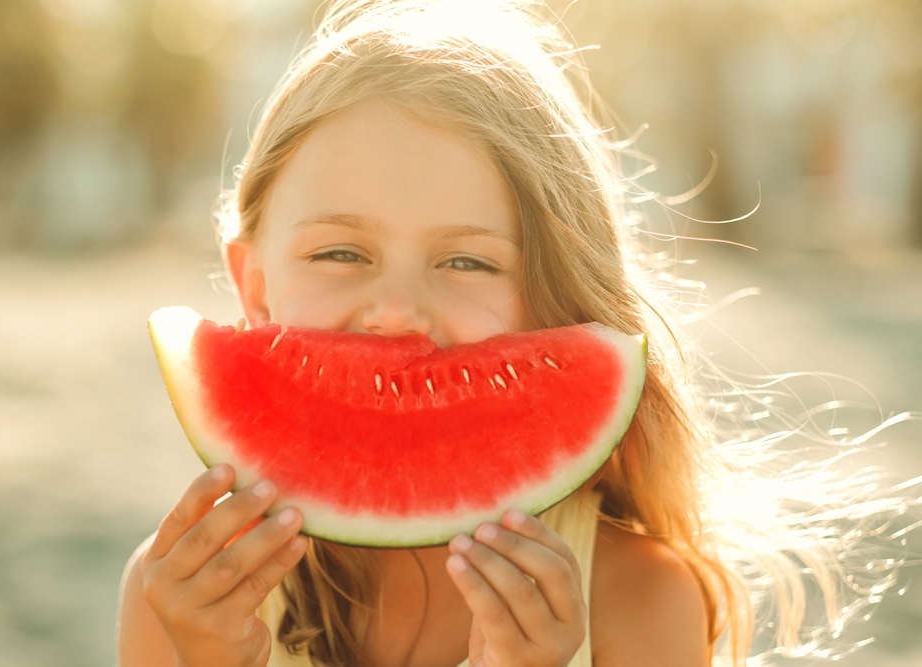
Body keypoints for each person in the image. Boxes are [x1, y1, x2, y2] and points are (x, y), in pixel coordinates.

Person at [117, 2, 915, 666]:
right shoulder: (181, 598)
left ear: (554, 299)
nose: (396, 310)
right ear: (253, 285)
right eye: (339, 252)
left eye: (466, 260)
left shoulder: (639, 603)